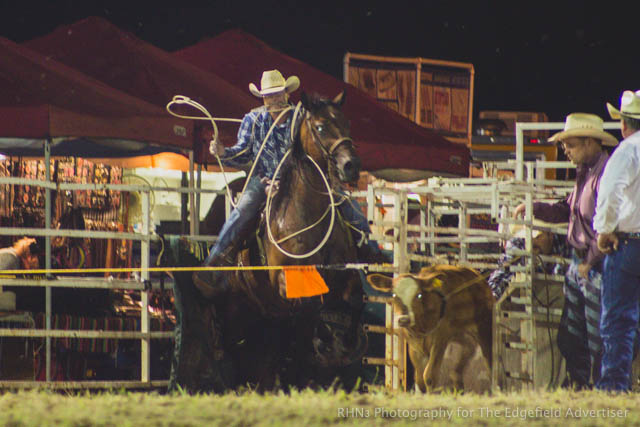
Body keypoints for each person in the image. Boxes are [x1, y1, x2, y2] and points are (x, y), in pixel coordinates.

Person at [193, 70, 383, 296]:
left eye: (278, 94)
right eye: (269, 96)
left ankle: (372, 254)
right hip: (262, 179)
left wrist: (287, 180)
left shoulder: (299, 118)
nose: (274, 99)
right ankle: (216, 263)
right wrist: (223, 152)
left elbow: (310, 148)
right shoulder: (253, 120)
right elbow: (243, 153)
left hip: (297, 179)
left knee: (348, 204)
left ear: (286, 94)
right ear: (263, 98)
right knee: (244, 210)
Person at [513, 113, 617, 389]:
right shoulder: (586, 174)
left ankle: (598, 390)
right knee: (571, 336)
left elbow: (610, 224)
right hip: (580, 263)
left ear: (588, 142)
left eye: (569, 145)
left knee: (597, 337)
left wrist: (590, 260)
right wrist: (534, 207)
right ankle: (581, 386)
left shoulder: (605, 175)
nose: (565, 151)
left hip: (595, 265)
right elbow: (567, 209)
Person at [594, 90, 640, 392]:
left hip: (630, 245)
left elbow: (610, 192)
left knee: (619, 319)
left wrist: (605, 229)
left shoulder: (627, 150)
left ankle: (614, 387)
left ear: (624, 124)